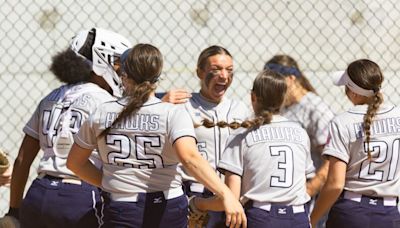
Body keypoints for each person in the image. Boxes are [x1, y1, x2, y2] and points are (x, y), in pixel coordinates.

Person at [66, 43, 247, 228]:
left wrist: (111, 182)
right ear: (158, 76)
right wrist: (226, 194)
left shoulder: (102, 111)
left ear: (124, 76)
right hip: (167, 206)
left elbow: (74, 163)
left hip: (122, 204)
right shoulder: (172, 112)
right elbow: (190, 158)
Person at [3, 27, 132, 228]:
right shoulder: (106, 103)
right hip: (80, 197)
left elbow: (22, 159)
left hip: (38, 194)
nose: (122, 71)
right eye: (117, 63)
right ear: (100, 60)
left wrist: (14, 210)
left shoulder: (49, 98)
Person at [190, 69, 315, 228]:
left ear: (253, 97)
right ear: (283, 98)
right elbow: (302, 186)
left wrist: (199, 203)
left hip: (261, 218)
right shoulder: (300, 133)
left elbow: (231, 198)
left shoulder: (241, 136)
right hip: (298, 218)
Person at [310, 59, 400, 228]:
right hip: (389, 216)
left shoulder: (342, 122)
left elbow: (335, 184)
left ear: (354, 92)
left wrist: (313, 218)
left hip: (351, 213)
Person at [180, 45, 251, 227]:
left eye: (229, 70)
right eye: (216, 69)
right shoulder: (184, 105)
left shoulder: (240, 109)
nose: (224, 76)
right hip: (192, 195)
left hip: (230, 195)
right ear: (200, 72)